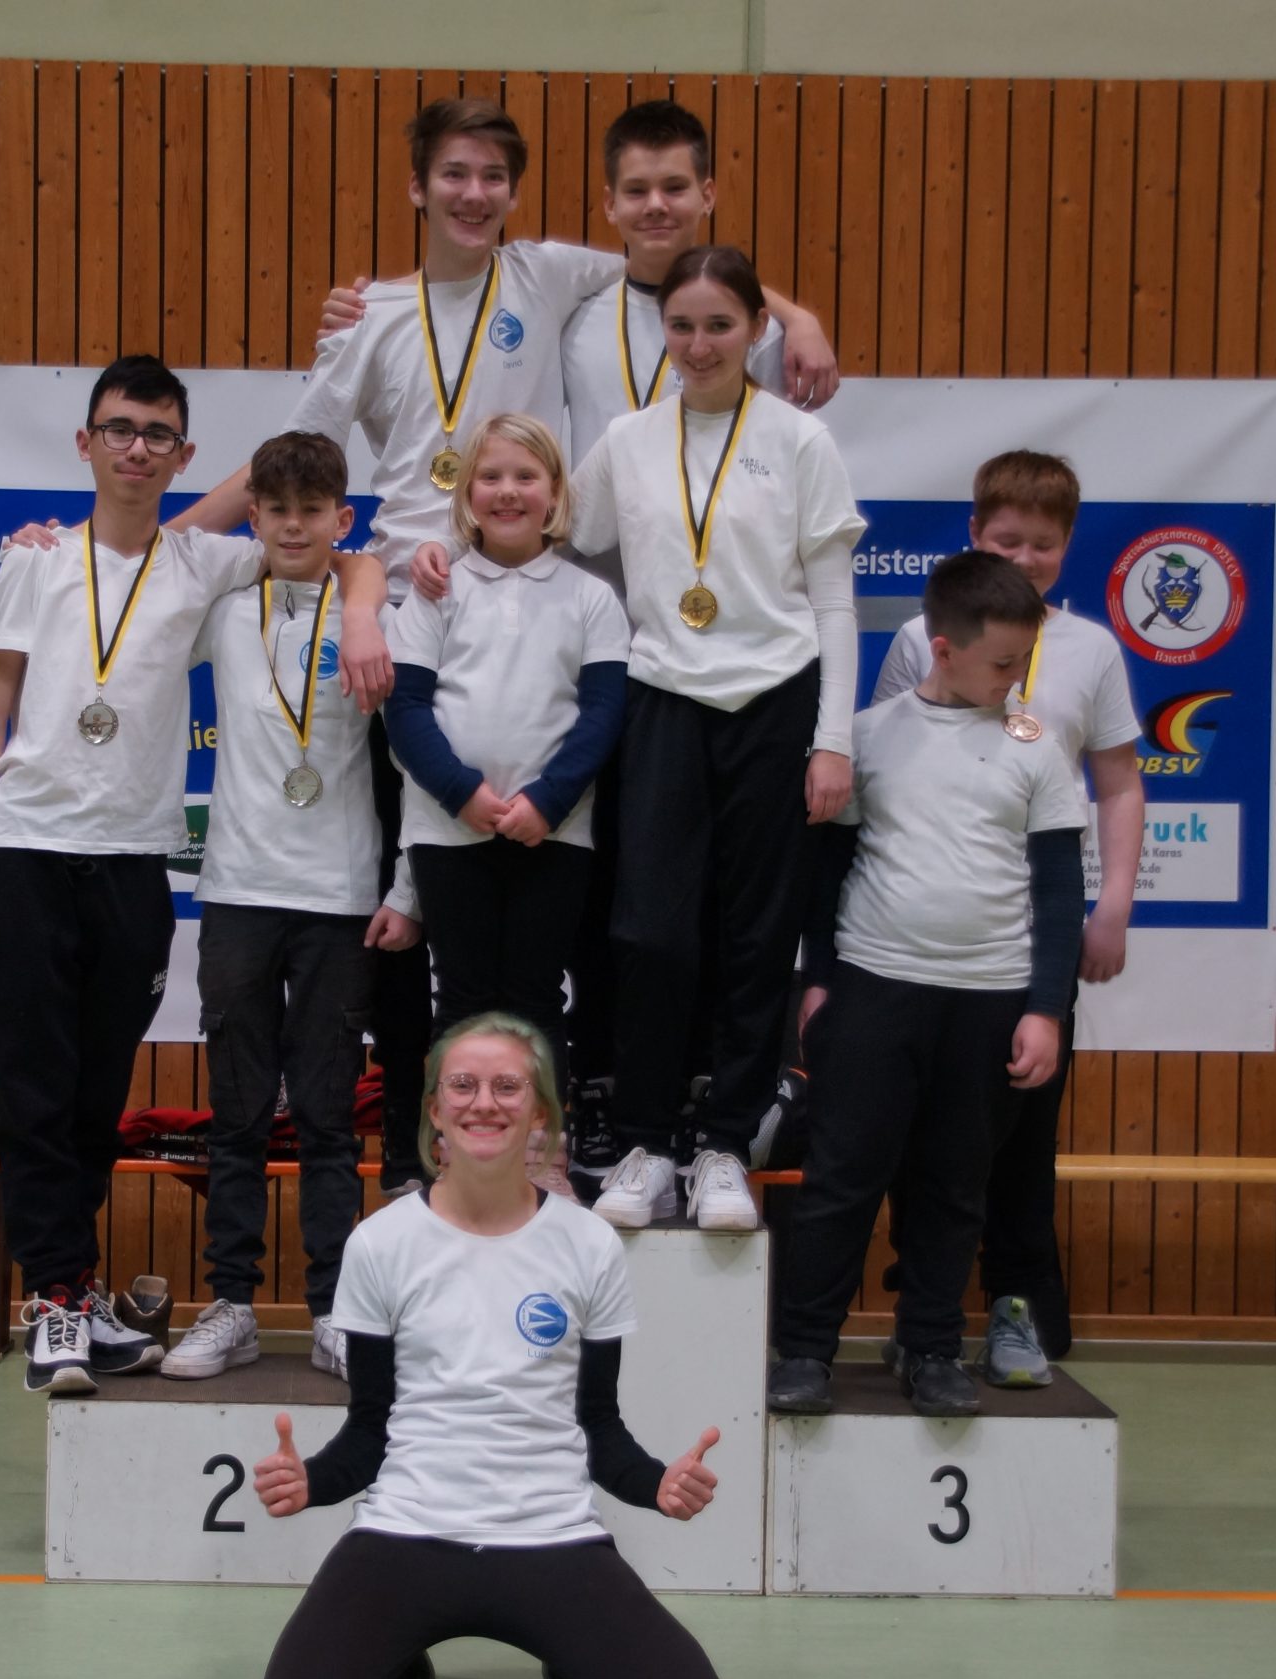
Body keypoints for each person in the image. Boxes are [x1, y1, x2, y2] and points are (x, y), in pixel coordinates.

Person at [187, 96, 838, 1197]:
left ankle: (603, 1114)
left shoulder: (545, 274)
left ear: (518, 194)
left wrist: (799, 315)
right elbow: (289, 457)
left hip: (567, 620)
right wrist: (162, 545)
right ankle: (416, 1147)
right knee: (408, 903)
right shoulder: (371, 315)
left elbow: (681, 263)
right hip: (414, 617)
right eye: (454, 173)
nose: (474, 193)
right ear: (417, 186)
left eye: (493, 176)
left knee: (593, 901)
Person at [0, 358, 392, 1396]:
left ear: (183, 453)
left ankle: (80, 1290)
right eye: (118, 429)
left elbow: (337, 545)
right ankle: (54, 1300)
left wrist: (367, 604)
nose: (136, 448)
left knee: (98, 1096)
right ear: (85, 442)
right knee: (32, 1092)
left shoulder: (205, 564)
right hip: (25, 849)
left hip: (134, 865)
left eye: (157, 434)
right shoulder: (33, 561)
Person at [250, 1011, 730, 1679]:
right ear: (434, 1110)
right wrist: (311, 1482)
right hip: (404, 1533)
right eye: (463, 1085)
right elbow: (369, 1432)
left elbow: (598, 1426)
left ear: (540, 1114)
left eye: (507, 1086)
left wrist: (656, 1484)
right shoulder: (380, 1243)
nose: (484, 1102)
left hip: (553, 1539)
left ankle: (572, 1660)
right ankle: (396, 1664)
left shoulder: (589, 1243)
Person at [553, 245, 865, 1234]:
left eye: (719, 325)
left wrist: (832, 741)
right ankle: (647, 1144)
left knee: (756, 936)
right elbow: (555, 531)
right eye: (681, 326)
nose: (698, 344)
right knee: (647, 933)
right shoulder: (627, 439)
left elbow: (834, 602)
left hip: (776, 700)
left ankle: (725, 1143)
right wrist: (447, 552)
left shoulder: (800, 440)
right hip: (662, 699)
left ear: (756, 330)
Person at [768, 552, 1087, 1420]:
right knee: (842, 1175)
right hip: (874, 988)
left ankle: (933, 1344)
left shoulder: (1037, 748)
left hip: (990, 999)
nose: (1015, 676)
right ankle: (805, 1348)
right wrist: (819, 980)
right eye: (1002, 662)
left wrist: (1044, 1009)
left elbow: (1061, 893)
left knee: (955, 1185)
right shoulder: (868, 737)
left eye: (1024, 661)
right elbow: (827, 873)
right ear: (943, 649)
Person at [856, 449, 1145, 1376]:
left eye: (1044, 544)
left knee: (1020, 1137)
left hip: (1035, 936)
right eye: (1007, 540)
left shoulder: (1092, 649)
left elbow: (1119, 782)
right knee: (923, 1138)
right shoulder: (921, 638)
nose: (1025, 558)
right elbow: (885, 767)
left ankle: (1018, 1310)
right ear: (975, 534)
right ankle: (925, 1316)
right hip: (930, 933)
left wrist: (1113, 904)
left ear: (1070, 545)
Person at [160, 431, 421, 1387]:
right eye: (275, 510)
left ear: (342, 518)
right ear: (255, 517)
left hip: (339, 898)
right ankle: (231, 1303)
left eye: (313, 511)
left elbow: (413, 767)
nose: (294, 526)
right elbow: (159, 558)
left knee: (325, 1120)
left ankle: (331, 1309)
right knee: (236, 1115)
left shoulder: (378, 618)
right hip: (236, 890)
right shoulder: (224, 608)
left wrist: (405, 887)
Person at [384, 414, 628, 1112]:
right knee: (460, 996)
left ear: (555, 492)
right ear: (466, 493)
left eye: (526, 476)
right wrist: (461, 793)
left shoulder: (591, 597)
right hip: (448, 829)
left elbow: (603, 713)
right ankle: (456, 1151)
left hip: (554, 832)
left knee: (534, 994)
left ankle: (539, 1151)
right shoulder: (436, 591)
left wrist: (548, 801)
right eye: (490, 476)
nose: (508, 491)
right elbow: (406, 708)